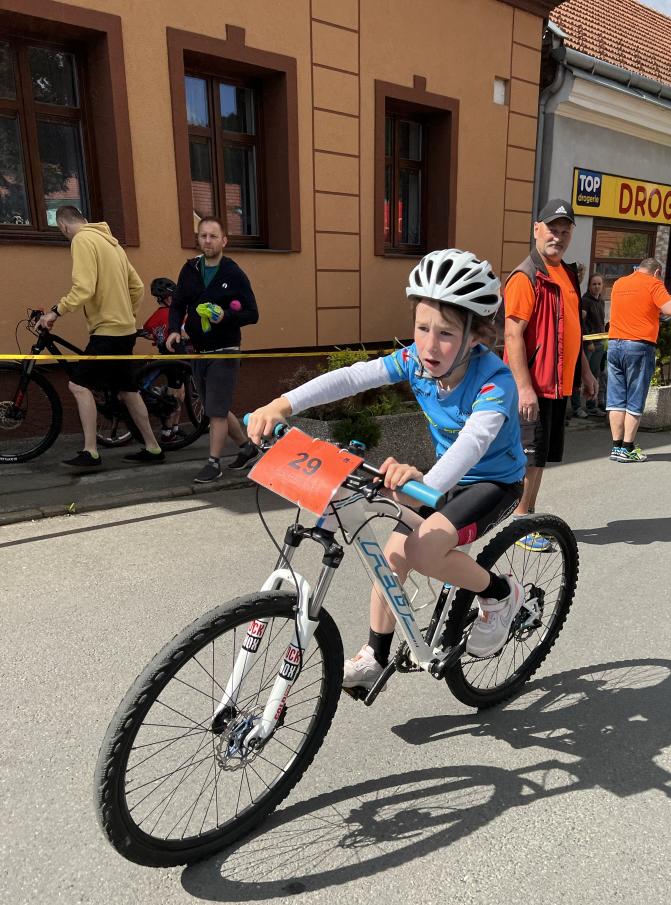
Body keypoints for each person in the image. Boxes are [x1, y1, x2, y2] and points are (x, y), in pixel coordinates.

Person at [246, 249, 528, 689]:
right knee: (391, 555)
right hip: (440, 478)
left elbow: (473, 443)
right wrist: (282, 404)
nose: (429, 345)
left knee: (422, 552)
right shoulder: (416, 361)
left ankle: (500, 595)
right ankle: (375, 656)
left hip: (493, 480)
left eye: (446, 333)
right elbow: (353, 377)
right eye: (422, 327)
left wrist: (424, 484)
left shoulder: (496, 382)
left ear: (476, 336)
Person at [36, 205, 164, 470]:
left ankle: (90, 451)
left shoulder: (81, 240)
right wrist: (127, 314)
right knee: (128, 390)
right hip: (124, 331)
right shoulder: (112, 244)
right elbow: (137, 287)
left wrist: (55, 312)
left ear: (63, 226)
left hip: (107, 332)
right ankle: (153, 447)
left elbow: (83, 288)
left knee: (78, 385)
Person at [503, 199, 597, 550]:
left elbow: (572, 330)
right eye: (552, 229)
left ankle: (527, 515)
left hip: (558, 386)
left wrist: (585, 371)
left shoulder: (567, 274)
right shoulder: (526, 276)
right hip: (536, 386)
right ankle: (520, 523)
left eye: (564, 231)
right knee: (529, 456)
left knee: (540, 457)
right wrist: (524, 388)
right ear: (536, 229)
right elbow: (512, 335)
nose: (558, 236)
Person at [166, 217, 259, 483]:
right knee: (213, 406)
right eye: (203, 236)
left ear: (224, 241)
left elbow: (252, 313)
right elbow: (177, 304)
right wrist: (174, 329)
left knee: (216, 411)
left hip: (225, 351)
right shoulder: (190, 269)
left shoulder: (233, 273)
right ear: (198, 239)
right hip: (199, 350)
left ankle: (213, 463)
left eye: (213, 236)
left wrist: (226, 316)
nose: (208, 241)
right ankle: (247, 448)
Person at [606, 258, 671, 463]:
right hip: (639, 346)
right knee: (635, 398)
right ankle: (628, 448)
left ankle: (616, 447)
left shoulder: (620, 283)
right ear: (657, 272)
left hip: (614, 344)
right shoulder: (653, 283)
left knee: (616, 400)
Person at [143, 277, 187, 443]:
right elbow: (185, 329)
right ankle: (167, 432)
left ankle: (174, 428)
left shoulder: (154, 317)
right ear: (169, 298)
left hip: (165, 358)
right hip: (177, 359)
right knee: (175, 396)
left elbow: (149, 332)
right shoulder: (174, 315)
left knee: (179, 392)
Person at [573, 272, 607, 418]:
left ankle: (591, 406)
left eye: (599, 284)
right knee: (580, 375)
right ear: (589, 286)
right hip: (589, 344)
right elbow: (582, 322)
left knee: (595, 375)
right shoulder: (585, 301)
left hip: (600, 343)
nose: (597, 286)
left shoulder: (601, 301)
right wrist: (589, 342)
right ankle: (576, 407)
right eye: (594, 284)